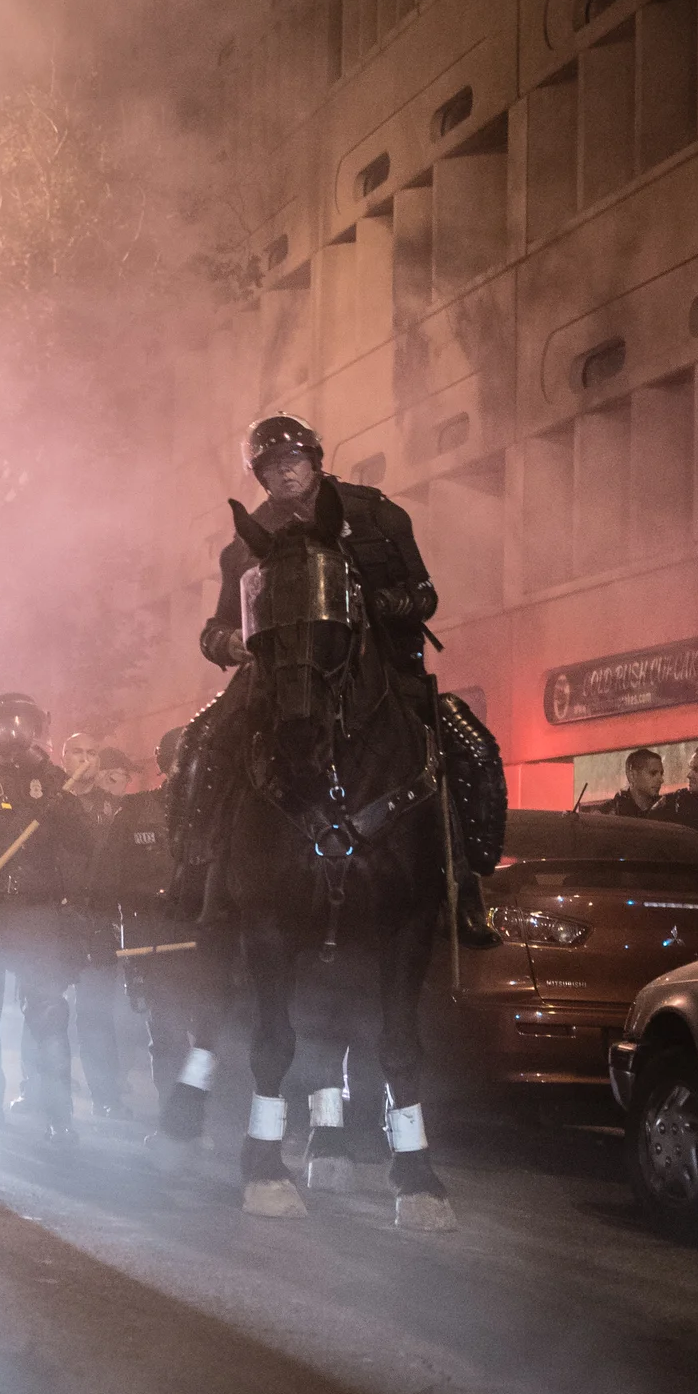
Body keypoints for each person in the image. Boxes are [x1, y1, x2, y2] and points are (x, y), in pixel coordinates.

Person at [197, 413, 495, 945]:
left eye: (293, 461)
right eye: (271, 467)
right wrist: (228, 643)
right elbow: (216, 626)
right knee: (202, 741)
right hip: (278, 676)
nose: (285, 474)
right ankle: (199, 881)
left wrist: (383, 604)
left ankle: (464, 885)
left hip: (377, 665)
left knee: (467, 745)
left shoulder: (376, 513)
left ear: (314, 460)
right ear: (260, 477)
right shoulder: (245, 543)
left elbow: (424, 593)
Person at [0, 692, 92, 1142]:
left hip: (38, 915)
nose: (18, 731)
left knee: (49, 1014)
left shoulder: (53, 781)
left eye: (27, 723)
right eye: (9, 723)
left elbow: (83, 843)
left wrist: (61, 800)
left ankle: (58, 1115)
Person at [84, 726, 210, 1132]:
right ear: (166, 764)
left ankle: (215, 1122)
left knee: (212, 1038)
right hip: (154, 944)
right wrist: (106, 934)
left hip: (209, 944)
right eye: (183, 760)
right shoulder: (134, 813)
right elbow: (105, 882)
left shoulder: (222, 814)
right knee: (169, 1036)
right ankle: (175, 1122)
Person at [68, 747, 140, 1118]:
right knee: (45, 1004)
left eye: (124, 779)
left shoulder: (119, 814)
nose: (120, 786)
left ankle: (106, 1094)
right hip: (59, 918)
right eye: (114, 777)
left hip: (99, 921)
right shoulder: (60, 803)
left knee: (97, 1011)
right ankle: (44, 1090)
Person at [602, 748, 665, 818]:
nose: (661, 780)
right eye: (653, 773)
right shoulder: (610, 813)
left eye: (661, 774)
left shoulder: (666, 809)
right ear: (632, 776)